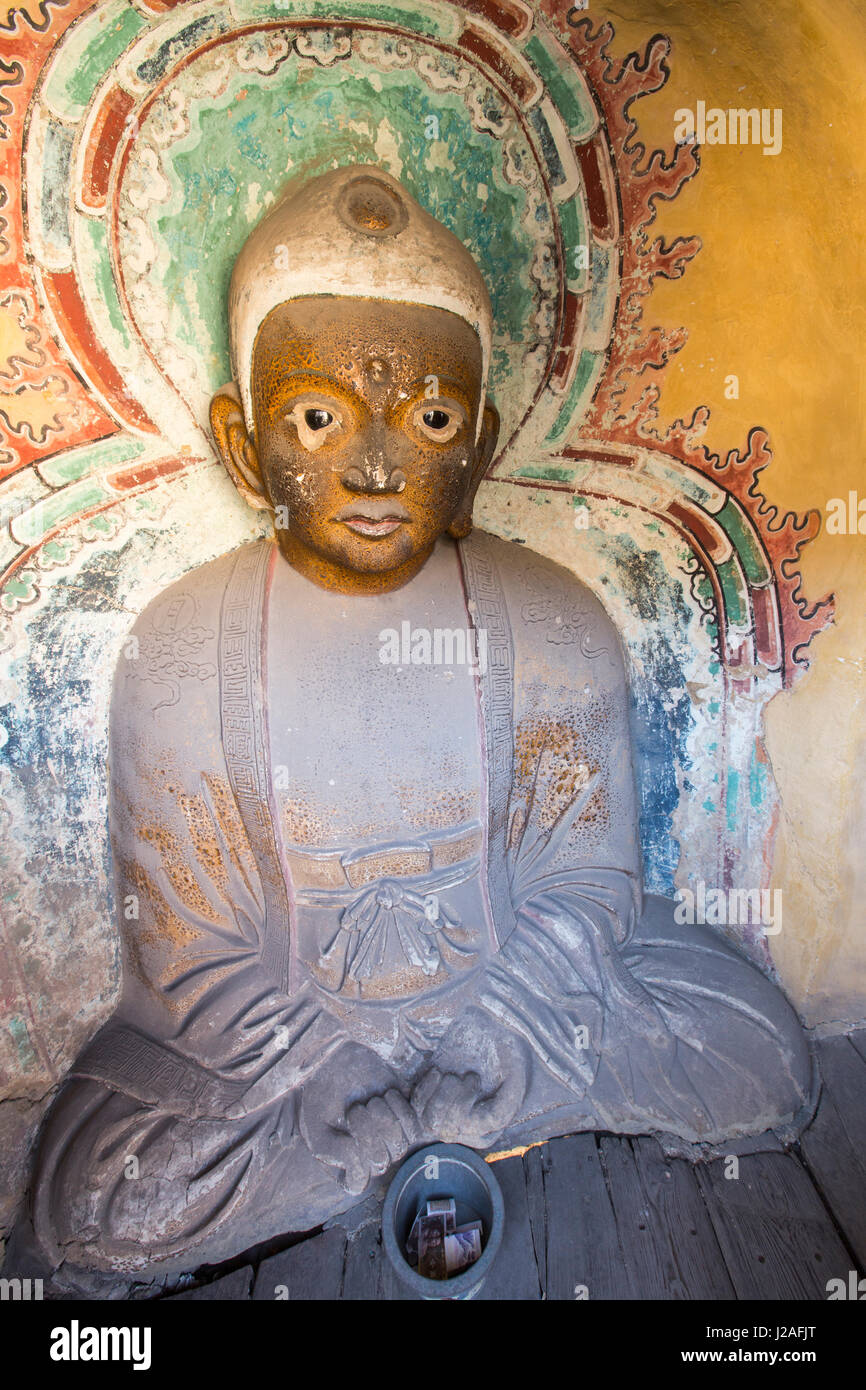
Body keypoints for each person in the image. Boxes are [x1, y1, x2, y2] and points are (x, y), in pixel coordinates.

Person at [23, 167, 812, 1281]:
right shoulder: (182, 649)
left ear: (478, 446)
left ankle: (394, 1140)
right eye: (316, 418)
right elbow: (191, 963)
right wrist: (341, 1062)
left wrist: (489, 1025)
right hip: (284, 1057)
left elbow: (585, 890)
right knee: (101, 1197)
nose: (376, 467)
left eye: (429, 418)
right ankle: (392, 1135)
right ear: (245, 448)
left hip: (522, 1008)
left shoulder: (548, 620)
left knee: (758, 1059)